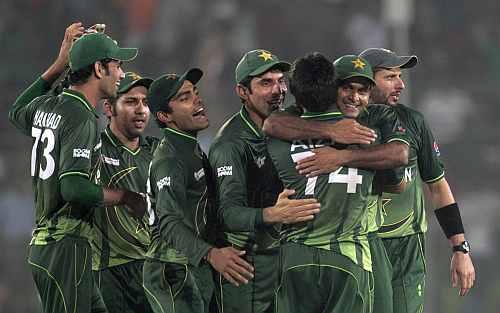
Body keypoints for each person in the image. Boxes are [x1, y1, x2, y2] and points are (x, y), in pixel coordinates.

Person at [8, 24, 145, 313]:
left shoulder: (48, 104)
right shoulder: (81, 117)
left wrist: (59, 65)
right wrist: (124, 197)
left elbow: (16, 112)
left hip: (56, 247)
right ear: (99, 68)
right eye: (117, 65)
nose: (122, 74)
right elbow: (74, 188)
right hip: (64, 248)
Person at [265, 52, 409, 313]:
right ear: (332, 87)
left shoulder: (289, 131)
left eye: (363, 90)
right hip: (349, 252)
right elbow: (397, 176)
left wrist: (341, 156)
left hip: (302, 252)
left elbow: (400, 157)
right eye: (347, 88)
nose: (355, 97)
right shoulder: (372, 133)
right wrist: (332, 132)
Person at [358, 47, 475, 312]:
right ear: (365, 80)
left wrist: (461, 249)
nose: (400, 84)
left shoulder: (413, 122)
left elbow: (437, 186)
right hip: (359, 244)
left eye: (400, 76)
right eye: (390, 77)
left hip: (407, 247)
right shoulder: (342, 124)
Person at [208, 49, 322, 313]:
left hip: (283, 258)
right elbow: (227, 214)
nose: (278, 90)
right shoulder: (231, 144)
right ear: (242, 92)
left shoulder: (288, 128)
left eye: (281, 81)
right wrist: (274, 214)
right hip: (246, 266)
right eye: (265, 83)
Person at [143, 69, 254, 313]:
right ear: (164, 116)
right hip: (171, 269)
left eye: (195, 93)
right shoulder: (170, 159)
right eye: (184, 98)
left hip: (193, 265)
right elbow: (168, 222)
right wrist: (212, 254)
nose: (197, 100)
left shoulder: (190, 148)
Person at [91, 71, 156, 313]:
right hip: (110, 272)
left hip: (153, 269)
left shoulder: (159, 152)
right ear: (108, 108)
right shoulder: (94, 147)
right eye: (131, 101)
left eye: (145, 102)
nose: (141, 110)